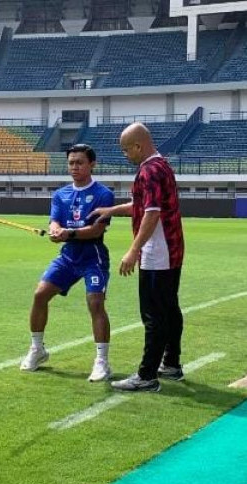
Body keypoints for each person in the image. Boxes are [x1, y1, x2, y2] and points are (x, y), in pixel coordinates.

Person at [90, 122, 185, 392]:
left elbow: (151, 213)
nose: (125, 155)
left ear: (138, 146)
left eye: (125, 150)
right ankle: (172, 364)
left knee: (154, 314)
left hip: (158, 252)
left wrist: (133, 251)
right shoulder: (160, 165)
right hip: (172, 249)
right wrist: (110, 210)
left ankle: (147, 375)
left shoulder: (149, 170)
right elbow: (141, 206)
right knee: (169, 308)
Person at [20, 144, 115, 382]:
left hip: (93, 256)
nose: (74, 167)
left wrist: (67, 233)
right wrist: (55, 231)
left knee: (95, 303)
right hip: (68, 256)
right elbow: (54, 222)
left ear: (92, 164)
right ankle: (37, 349)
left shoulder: (104, 194)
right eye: (71, 162)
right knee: (40, 294)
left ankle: (102, 361)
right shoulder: (60, 194)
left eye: (80, 162)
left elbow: (96, 230)